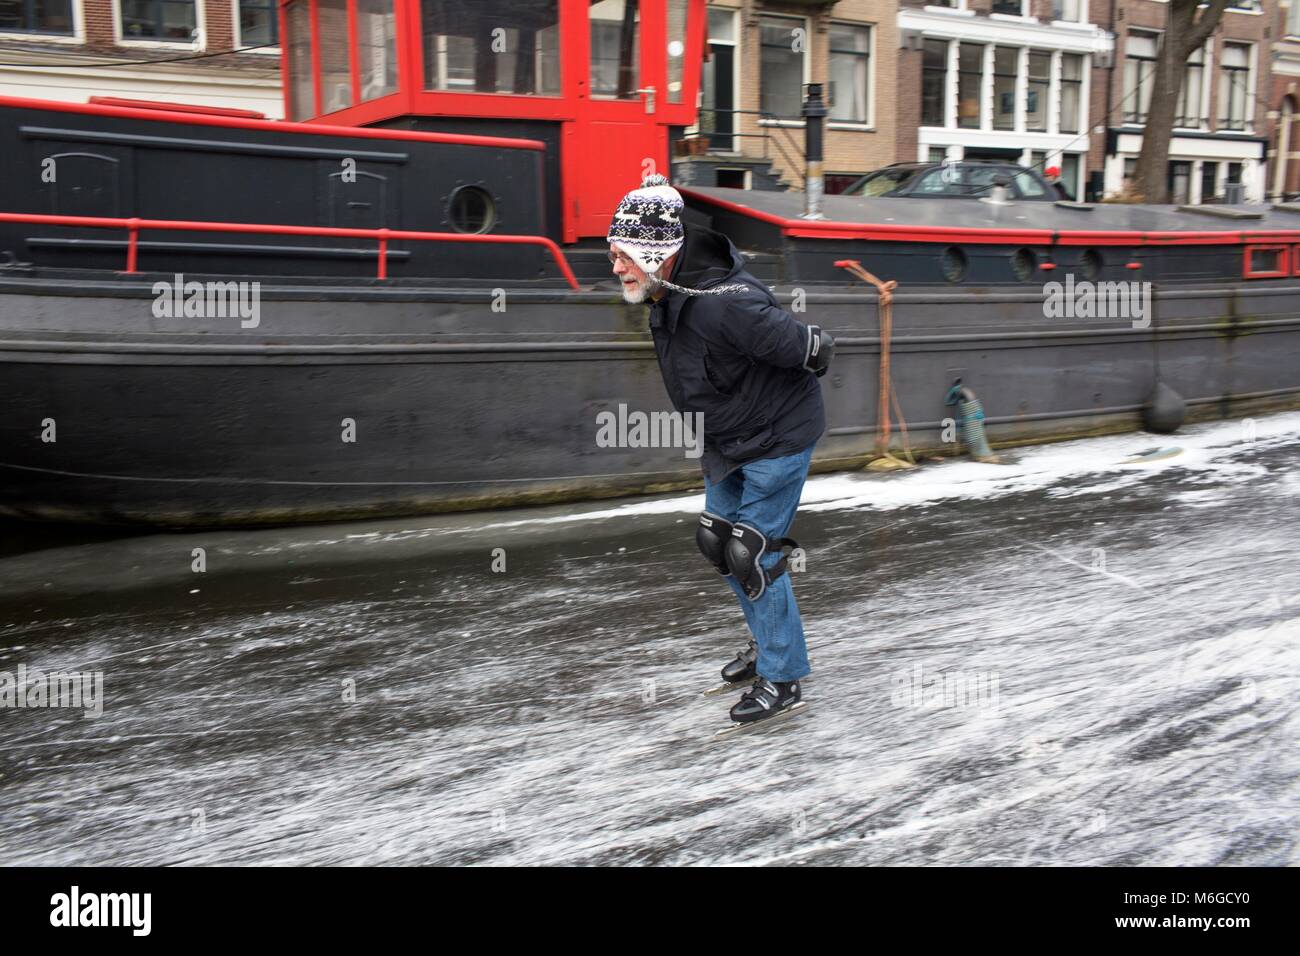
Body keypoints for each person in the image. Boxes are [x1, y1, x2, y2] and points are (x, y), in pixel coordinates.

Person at [606, 173, 834, 725]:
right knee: (718, 542)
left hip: (776, 438)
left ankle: (783, 677)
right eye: (612, 254)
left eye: (623, 256)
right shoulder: (666, 291)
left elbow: (812, 350)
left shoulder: (724, 305)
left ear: (656, 253)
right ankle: (767, 642)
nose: (615, 267)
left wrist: (804, 352)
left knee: (751, 552)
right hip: (726, 439)